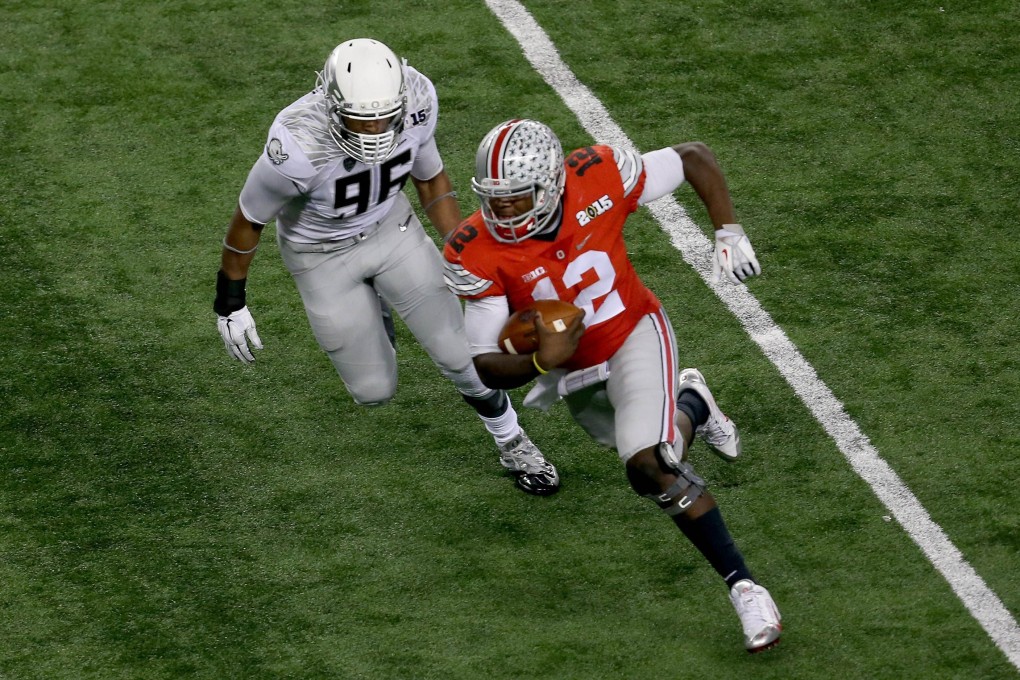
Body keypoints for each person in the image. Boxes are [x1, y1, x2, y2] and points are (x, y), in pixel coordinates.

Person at [442, 119, 780, 652]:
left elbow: (693, 154)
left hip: (633, 332)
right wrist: (537, 362)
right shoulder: (475, 250)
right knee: (650, 467)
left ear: (552, 183)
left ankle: (745, 587)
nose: (500, 211)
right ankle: (694, 400)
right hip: (573, 371)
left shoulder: (597, 176)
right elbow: (483, 362)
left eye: (515, 199)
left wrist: (727, 231)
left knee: (651, 463)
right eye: (493, 199)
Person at [212, 40, 559, 496]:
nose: (375, 126)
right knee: (373, 390)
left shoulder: (416, 98)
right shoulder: (296, 140)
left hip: (391, 230)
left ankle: (512, 440)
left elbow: (430, 177)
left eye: (383, 113)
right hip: (321, 257)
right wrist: (229, 301)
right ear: (331, 102)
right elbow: (249, 219)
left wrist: (464, 250)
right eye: (360, 115)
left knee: (462, 357)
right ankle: (372, 306)